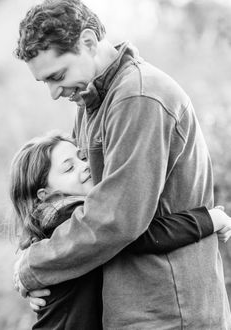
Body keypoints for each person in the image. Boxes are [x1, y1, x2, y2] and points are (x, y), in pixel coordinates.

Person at [14, 0, 231, 328]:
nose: (53, 93)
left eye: (57, 76)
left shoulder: (138, 98)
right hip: (131, 307)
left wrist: (35, 266)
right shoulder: (92, 102)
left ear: (88, 42)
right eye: (44, 81)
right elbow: (78, 210)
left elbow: (116, 218)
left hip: (168, 310)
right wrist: (44, 277)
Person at [10, 131, 231, 329]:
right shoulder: (67, 217)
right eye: (68, 167)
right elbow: (140, 234)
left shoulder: (57, 225)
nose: (84, 165)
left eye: (82, 157)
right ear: (45, 195)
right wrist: (208, 219)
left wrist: (27, 273)